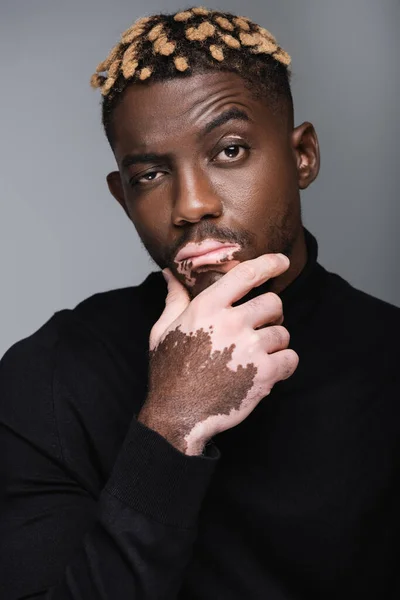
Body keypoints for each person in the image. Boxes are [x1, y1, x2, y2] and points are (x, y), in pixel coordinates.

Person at [0, 6, 399, 599]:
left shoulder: (388, 359)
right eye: (150, 175)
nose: (192, 205)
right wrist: (173, 423)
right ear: (122, 197)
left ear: (303, 156)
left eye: (230, 150)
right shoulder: (50, 376)